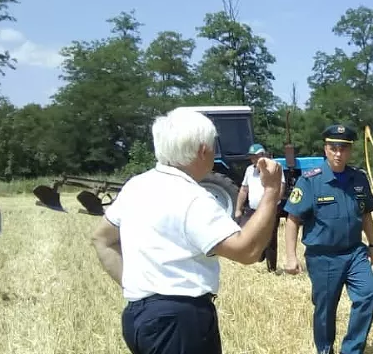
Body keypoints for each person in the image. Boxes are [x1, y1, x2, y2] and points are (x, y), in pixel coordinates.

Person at [90, 108, 284, 354]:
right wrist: (270, 192)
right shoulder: (192, 197)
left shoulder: (135, 186)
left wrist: (139, 290)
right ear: (203, 150)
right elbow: (247, 251)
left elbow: (101, 239)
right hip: (179, 324)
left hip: (138, 318)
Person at [283, 124, 373, 354]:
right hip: (323, 256)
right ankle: (325, 349)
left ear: (350, 150)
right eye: (333, 148)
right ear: (325, 149)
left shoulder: (358, 178)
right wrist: (290, 256)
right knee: (325, 309)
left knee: (368, 294)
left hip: (355, 252)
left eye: (343, 148)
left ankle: (352, 350)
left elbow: (365, 213)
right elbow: (293, 219)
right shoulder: (310, 181)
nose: (338, 153)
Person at [235, 142, 284, 272]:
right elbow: (244, 190)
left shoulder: (275, 168)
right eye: (251, 157)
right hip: (252, 210)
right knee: (249, 234)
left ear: (263, 155)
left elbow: (280, 188)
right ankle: (259, 254)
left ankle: (271, 268)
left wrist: (272, 205)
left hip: (270, 210)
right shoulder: (249, 170)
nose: (253, 160)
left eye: (255, 157)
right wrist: (238, 209)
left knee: (270, 239)